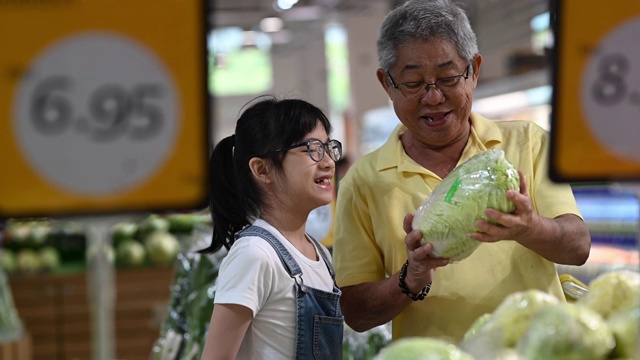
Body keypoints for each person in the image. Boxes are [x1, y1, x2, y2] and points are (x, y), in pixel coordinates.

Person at [331, 0, 591, 343]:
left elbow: (578, 247)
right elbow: (356, 312)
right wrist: (410, 279)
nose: (434, 97)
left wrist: (529, 228)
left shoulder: (528, 142)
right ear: (386, 83)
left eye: (448, 77)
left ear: (475, 69)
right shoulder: (362, 180)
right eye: (413, 83)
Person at [200, 96, 344, 359]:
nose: (328, 162)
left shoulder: (320, 253)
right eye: (311, 148)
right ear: (262, 169)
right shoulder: (254, 254)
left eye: (328, 147)